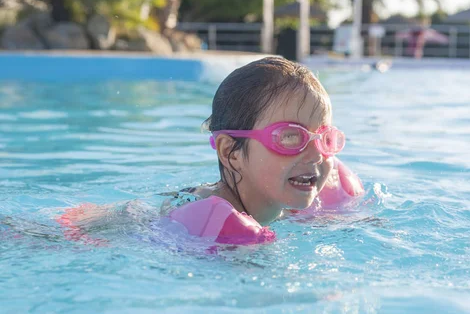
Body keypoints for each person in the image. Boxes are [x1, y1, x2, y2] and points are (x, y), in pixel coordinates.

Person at [58, 57, 364, 245]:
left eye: (324, 138)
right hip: (97, 235)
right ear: (230, 151)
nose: (315, 156)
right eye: (289, 137)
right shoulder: (217, 222)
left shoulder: (293, 201)